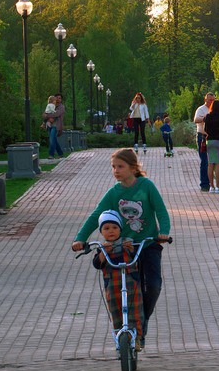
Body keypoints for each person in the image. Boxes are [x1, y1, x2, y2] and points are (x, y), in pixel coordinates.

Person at [71, 148, 170, 349]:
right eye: (113, 167)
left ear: (133, 168)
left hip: (148, 245)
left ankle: (142, 322)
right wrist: (80, 238)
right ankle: (129, 328)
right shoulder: (114, 192)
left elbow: (161, 210)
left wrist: (164, 232)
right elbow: (95, 215)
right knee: (126, 289)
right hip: (124, 248)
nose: (116, 170)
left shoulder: (146, 186)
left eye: (120, 166)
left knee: (153, 285)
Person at [91, 210, 143, 350]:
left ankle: (137, 338)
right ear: (101, 232)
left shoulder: (128, 242)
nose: (111, 231)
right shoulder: (102, 247)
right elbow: (97, 264)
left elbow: (137, 257)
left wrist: (131, 249)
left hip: (130, 283)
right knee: (116, 312)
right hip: (112, 286)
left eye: (114, 228)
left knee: (134, 311)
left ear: (120, 229)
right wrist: (103, 253)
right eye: (106, 229)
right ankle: (120, 337)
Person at [193, 92, 215, 192]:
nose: (212, 102)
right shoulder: (201, 109)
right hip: (202, 137)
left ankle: (212, 183)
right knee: (204, 161)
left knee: (212, 161)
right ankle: (204, 184)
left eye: (213, 100)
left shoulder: (215, 109)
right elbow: (196, 120)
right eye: (210, 100)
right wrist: (205, 118)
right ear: (205, 100)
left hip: (213, 136)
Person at [42, 93, 65, 159]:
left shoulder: (61, 107)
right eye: (56, 98)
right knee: (53, 140)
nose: (58, 99)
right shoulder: (50, 105)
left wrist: (47, 115)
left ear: (61, 100)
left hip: (56, 126)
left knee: (52, 139)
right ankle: (60, 153)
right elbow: (45, 113)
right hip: (49, 125)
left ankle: (51, 155)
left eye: (59, 98)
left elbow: (56, 114)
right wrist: (45, 115)